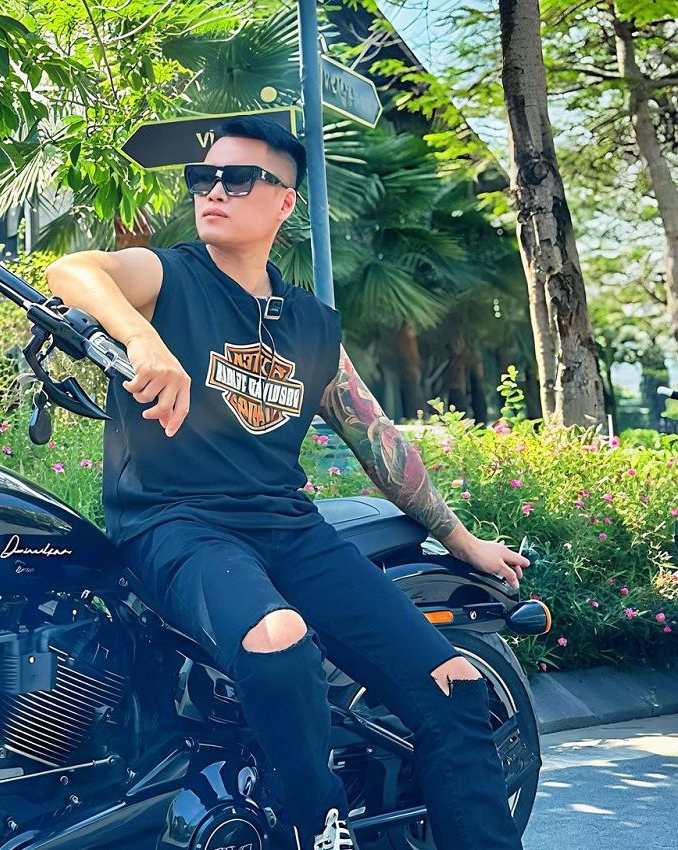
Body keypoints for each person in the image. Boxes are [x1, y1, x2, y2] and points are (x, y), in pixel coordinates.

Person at [45, 116, 530, 850]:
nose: (213, 190)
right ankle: (318, 829)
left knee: (455, 684)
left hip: (291, 531)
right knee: (278, 637)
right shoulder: (167, 277)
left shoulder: (310, 323)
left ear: (284, 202)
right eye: (203, 178)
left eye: (238, 179)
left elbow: (377, 438)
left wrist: (460, 539)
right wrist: (142, 338)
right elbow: (74, 271)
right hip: (177, 524)